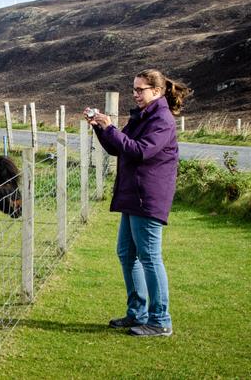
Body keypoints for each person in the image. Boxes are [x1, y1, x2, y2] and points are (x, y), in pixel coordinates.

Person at [84, 69, 192, 337]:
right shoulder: (143, 116)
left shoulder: (162, 120)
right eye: (134, 89)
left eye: (140, 89)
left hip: (148, 196)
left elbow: (140, 151)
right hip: (134, 194)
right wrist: (101, 129)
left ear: (156, 92)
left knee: (150, 258)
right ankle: (138, 314)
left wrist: (111, 128)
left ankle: (160, 320)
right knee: (127, 253)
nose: (135, 94)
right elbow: (118, 147)